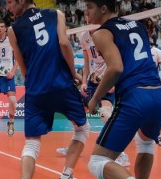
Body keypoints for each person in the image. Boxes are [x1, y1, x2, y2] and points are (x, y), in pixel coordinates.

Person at [83, 0, 161, 179]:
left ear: (103, 8)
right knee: (144, 143)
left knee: (97, 162)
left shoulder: (101, 33)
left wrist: (93, 99)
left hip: (136, 98)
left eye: (89, 8)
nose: (86, 14)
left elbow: (116, 68)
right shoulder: (138, 25)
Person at [0, 0, 92, 179]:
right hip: (61, 83)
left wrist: (34, 82)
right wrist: (74, 74)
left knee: (32, 142)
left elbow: (22, 65)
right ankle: (66, 178)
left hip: (36, 88)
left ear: (21, 0)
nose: (8, 8)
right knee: (82, 128)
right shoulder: (55, 14)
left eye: (9, 2)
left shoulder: (13, 29)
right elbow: (64, 45)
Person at [56, 28, 131, 167]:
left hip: (108, 78)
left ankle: (121, 154)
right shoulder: (84, 36)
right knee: (76, 109)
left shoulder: (107, 33)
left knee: (105, 114)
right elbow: (86, 63)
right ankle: (75, 145)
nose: (89, 18)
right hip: (93, 80)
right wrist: (84, 81)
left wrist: (114, 80)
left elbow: (119, 59)